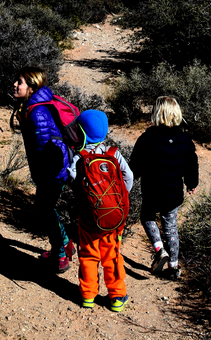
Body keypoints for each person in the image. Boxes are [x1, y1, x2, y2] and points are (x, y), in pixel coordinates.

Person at [69, 109, 133, 313]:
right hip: (114, 218)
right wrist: (117, 198)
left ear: (82, 133)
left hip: (88, 217)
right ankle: (116, 296)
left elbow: (71, 179)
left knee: (88, 255)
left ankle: (88, 295)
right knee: (112, 255)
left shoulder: (80, 157)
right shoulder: (114, 154)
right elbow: (128, 177)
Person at [129, 95, 199, 281]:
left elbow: (135, 165)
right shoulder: (184, 140)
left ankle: (160, 249)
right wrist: (191, 183)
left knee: (146, 217)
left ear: (156, 114)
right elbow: (191, 163)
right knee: (171, 227)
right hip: (173, 193)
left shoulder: (147, 138)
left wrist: (130, 178)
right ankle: (174, 267)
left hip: (152, 191)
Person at [11, 66, 74, 272]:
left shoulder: (37, 113)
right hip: (54, 168)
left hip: (52, 170)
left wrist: (42, 176)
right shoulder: (34, 105)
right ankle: (64, 243)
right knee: (46, 208)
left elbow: (42, 149)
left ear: (31, 86)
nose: (15, 84)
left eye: (20, 82)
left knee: (44, 209)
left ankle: (60, 254)